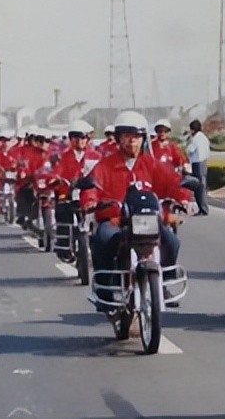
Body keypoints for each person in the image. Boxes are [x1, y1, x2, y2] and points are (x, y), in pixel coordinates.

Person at [80, 111, 193, 308]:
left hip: (147, 221)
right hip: (116, 221)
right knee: (102, 239)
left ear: (143, 139)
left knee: (172, 242)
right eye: (126, 136)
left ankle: (163, 281)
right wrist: (90, 202)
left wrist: (184, 199)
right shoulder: (105, 166)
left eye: (137, 137)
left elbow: (173, 183)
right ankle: (105, 289)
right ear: (118, 139)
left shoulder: (151, 164)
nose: (132, 142)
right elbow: (91, 186)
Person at [185, 119, 210, 215]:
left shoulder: (195, 139)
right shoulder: (204, 137)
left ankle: (202, 208)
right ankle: (203, 208)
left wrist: (188, 141)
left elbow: (190, 150)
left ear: (192, 129)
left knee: (198, 187)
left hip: (197, 163)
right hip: (203, 162)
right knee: (202, 185)